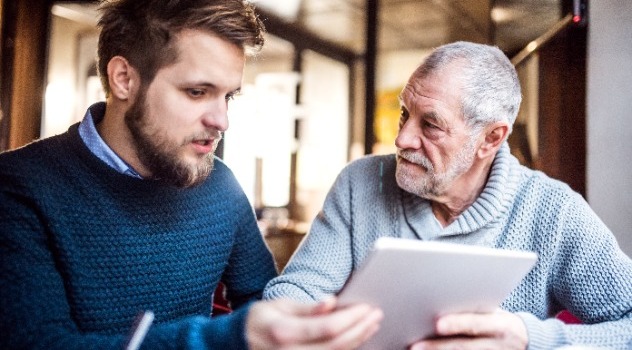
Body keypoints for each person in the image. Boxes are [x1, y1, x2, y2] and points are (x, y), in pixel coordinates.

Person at [0, 0, 383, 349]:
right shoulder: (17, 187)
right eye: (198, 92)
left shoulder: (220, 185)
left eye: (228, 96)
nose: (222, 121)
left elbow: (268, 302)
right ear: (123, 79)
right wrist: (230, 338)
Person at [263, 41, 632, 349]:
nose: (403, 139)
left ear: (490, 139)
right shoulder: (361, 182)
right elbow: (297, 290)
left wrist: (527, 338)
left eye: (431, 125)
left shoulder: (554, 211)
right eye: (405, 114)